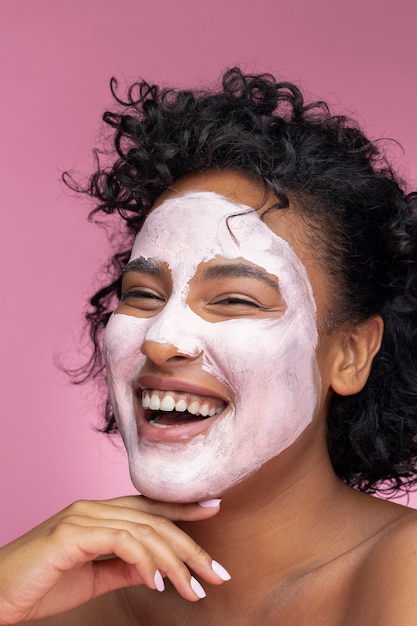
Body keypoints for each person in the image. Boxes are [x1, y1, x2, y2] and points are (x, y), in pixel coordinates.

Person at [1, 67, 417, 625]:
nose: (162, 338)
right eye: (143, 294)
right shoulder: (53, 600)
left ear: (350, 354)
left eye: (236, 300)